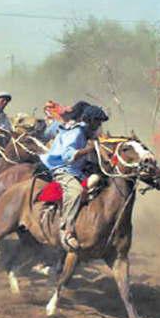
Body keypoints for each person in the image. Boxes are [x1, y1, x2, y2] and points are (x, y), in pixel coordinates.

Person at [39, 104, 108, 251]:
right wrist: (88, 149)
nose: (99, 126)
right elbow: (67, 156)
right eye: (98, 122)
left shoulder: (87, 133)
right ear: (90, 120)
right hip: (62, 169)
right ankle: (67, 230)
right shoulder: (76, 132)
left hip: (77, 170)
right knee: (76, 191)